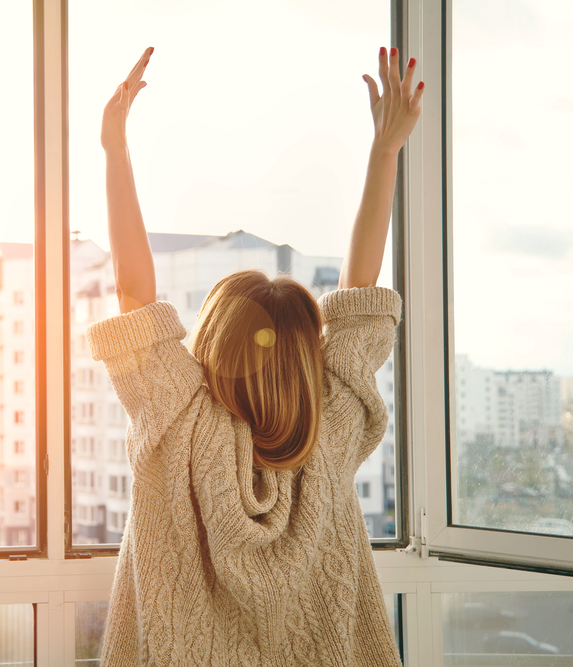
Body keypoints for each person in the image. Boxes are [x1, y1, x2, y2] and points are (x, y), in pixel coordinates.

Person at [88, 46, 423, 666]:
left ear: (210, 339)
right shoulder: (332, 428)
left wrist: (115, 147)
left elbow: (134, 291)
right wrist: (385, 152)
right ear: (306, 356)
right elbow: (360, 294)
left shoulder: (176, 419)